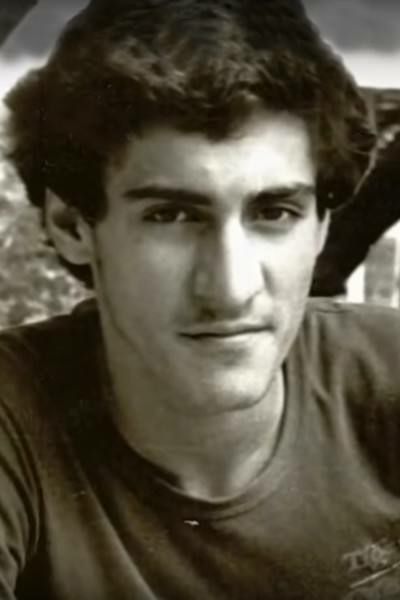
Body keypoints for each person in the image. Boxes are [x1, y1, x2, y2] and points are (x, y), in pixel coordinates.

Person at [2, 0, 398, 598]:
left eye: (274, 212)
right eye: (171, 216)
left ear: (321, 226)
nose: (232, 288)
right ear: (71, 225)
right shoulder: (14, 417)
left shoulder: (387, 373)